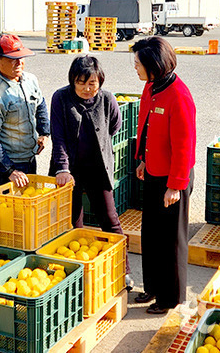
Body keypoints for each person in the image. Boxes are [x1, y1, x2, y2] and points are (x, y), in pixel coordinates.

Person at [49, 55, 132, 286]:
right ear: (72, 81)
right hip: (70, 171)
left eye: (92, 83)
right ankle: (78, 275)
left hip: (98, 169)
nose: (87, 88)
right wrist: (62, 168)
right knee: (72, 223)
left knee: (110, 220)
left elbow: (115, 125)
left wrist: (100, 147)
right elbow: (58, 136)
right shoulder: (61, 97)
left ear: (100, 81)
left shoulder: (107, 99)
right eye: (81, 82)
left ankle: (122, 270)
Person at [131, 37, 196, 314]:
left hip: (174, 178)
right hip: (154, 171)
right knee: (152, 235)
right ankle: (153, 288)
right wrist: (143, 159)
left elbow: (185, 146)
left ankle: (170, 298)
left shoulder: (179, 96)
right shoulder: (151, 87)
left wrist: (176, 186)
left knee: (171, 241)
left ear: (154, 66)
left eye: (138, 64)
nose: (134, 68)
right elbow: (145, 125)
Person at [0, 34, 50, 188]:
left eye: (21, 58)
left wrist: (44, 132)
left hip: (29, 158)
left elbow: (40, 103)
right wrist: (10, 170)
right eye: (12, 59)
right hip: (6, 166)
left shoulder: (30, 80)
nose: (19, 63)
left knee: (29, 208)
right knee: (7, 210)